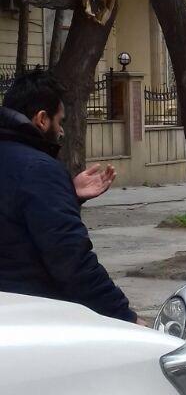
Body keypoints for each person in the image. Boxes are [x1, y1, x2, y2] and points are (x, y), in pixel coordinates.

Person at [0, 69, 138, 322]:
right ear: (42, 119)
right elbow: (72, 261)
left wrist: (68, 196)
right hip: (33, 317)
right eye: (59, 121)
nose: (61, 131)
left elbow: (12, 221)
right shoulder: (39, 170)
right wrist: (124, 316)